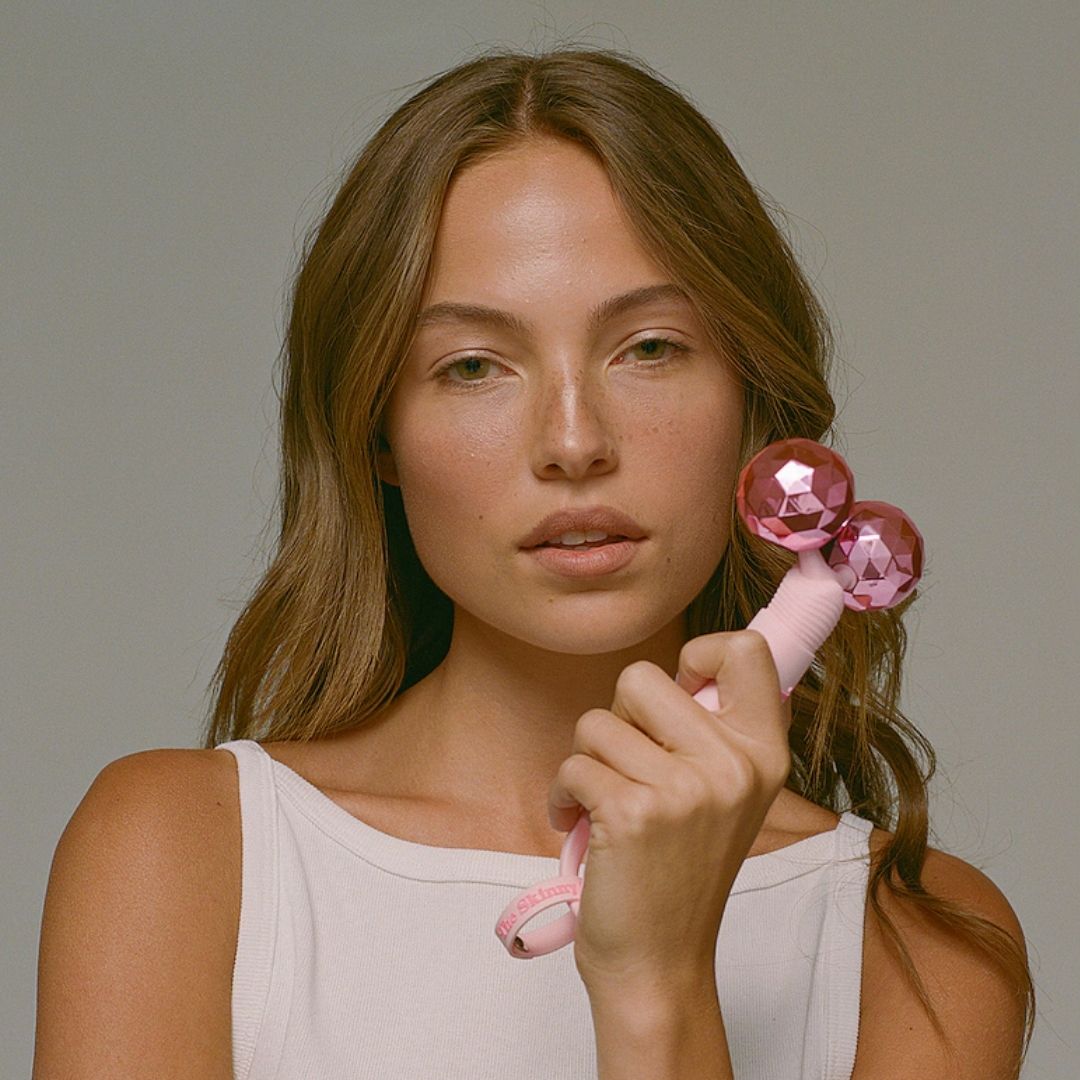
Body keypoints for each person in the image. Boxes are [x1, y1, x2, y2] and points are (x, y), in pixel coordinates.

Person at [33, 45, 1033, 1079]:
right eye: (473, 366)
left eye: (648, 347)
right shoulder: (179, 858)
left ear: (753, 405)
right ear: (378, 430)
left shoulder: (923, 950)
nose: (572, 441)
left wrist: (658, 980)